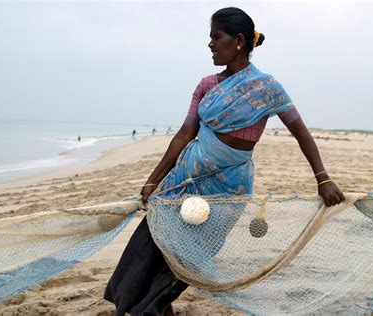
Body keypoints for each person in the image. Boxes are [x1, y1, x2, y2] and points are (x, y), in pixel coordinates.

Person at [104, 7, 344, 316]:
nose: (211, 44)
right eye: (210, 38)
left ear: (240, 41)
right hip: (183, 180)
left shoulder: (266, 87)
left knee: (188, 257)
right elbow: (184, 134)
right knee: (153, 245)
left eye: (217, 37)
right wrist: (154, 179)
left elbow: (301, 133)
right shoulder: (206, 85)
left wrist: (322, 178)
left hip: (226, 191)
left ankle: (150, 308)